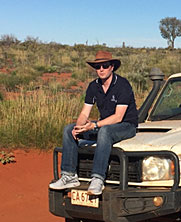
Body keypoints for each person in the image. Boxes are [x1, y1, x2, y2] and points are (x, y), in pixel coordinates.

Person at [49, 51, 138, 195]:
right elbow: (85, 113)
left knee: (105, 131)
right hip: (104, 126)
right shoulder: (93, 86)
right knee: (68, 129)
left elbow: (118, 117)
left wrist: (94, 125)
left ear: (112, 67)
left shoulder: (123, 85)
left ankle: (97, 178)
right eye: (98, 67)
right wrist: (79, 127)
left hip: (126, 126)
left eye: (105, 65)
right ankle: (69, 175)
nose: (101, 69)